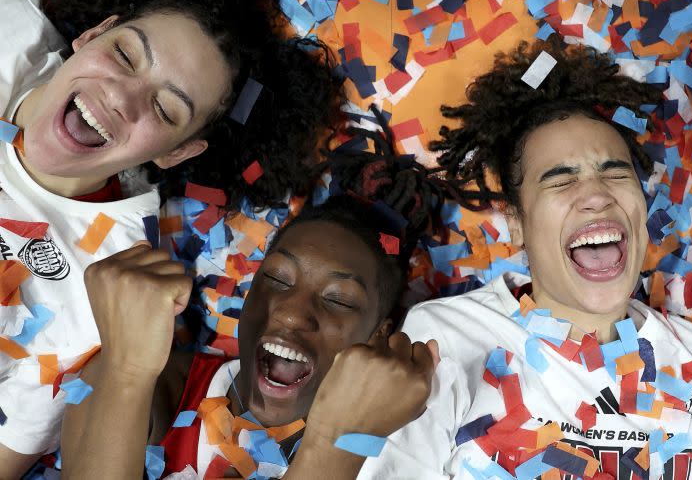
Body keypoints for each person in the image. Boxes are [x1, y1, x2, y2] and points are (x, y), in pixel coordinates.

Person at [0, 0, 342, 474]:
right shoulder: (5, 26)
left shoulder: (102, 290)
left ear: (176, 151)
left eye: (164, 108)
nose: (122, 97)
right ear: (92, 35)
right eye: (124, 55)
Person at [357, 37, 692, 479]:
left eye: (615, 172)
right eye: (560, 180)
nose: (596, 196)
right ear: (517, 223)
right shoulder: (442, 339)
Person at [61, 118, 442, 479]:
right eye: (276, 278)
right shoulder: (152, 381)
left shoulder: (402, 450)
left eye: (339, 300)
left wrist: (339, 442)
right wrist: (127, 371)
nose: (292, 312)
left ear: (379, 335)